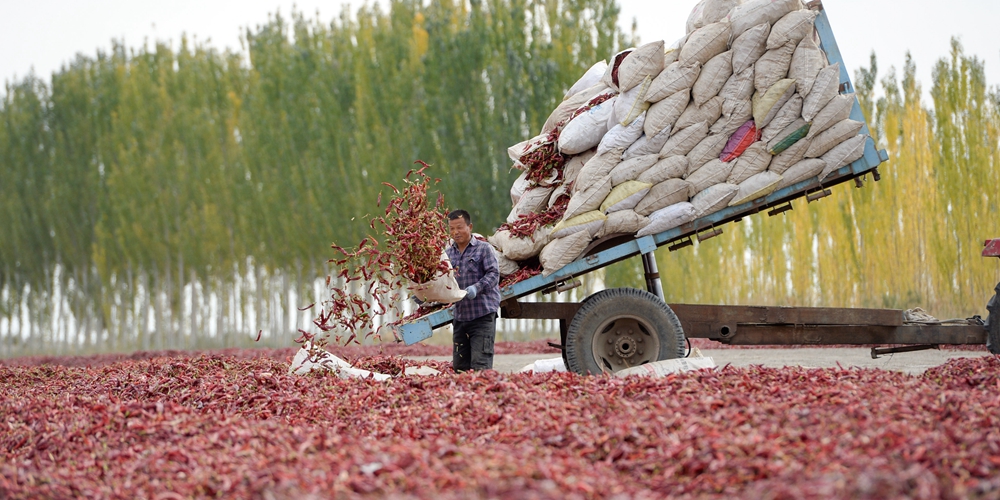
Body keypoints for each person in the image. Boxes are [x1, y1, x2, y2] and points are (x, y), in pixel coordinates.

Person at [445, 209, 500, 372]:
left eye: (460, 227)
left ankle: (484, 397)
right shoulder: (448, 254)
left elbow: (494, 274)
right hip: (461, 318)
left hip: (481, 316)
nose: (456, 232)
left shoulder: (484, 249)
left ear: (470, 226)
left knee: (480, 367)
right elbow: (444, 283)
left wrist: (477, 288)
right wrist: (427, 295)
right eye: (452, 228)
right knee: (460, 368)